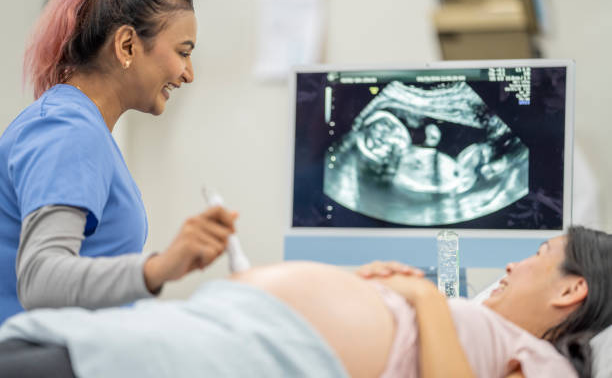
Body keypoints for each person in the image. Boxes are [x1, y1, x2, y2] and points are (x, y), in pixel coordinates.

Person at [0, 226, 610, 378]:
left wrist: (423, 296)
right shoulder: (488, 332)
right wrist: (365, 285)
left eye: (538, 253)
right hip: (249, 330)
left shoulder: (546, 364)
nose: (514, 262)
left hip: (274, 352)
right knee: (52, 344)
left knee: (64, 358)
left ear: (571, 288)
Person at [0, 0, 238, 324]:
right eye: (182, 52)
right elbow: (40, 279)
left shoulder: (80, 126)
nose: (189, 73)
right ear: (127, 45)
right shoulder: (67, 130)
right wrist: (159, 268)